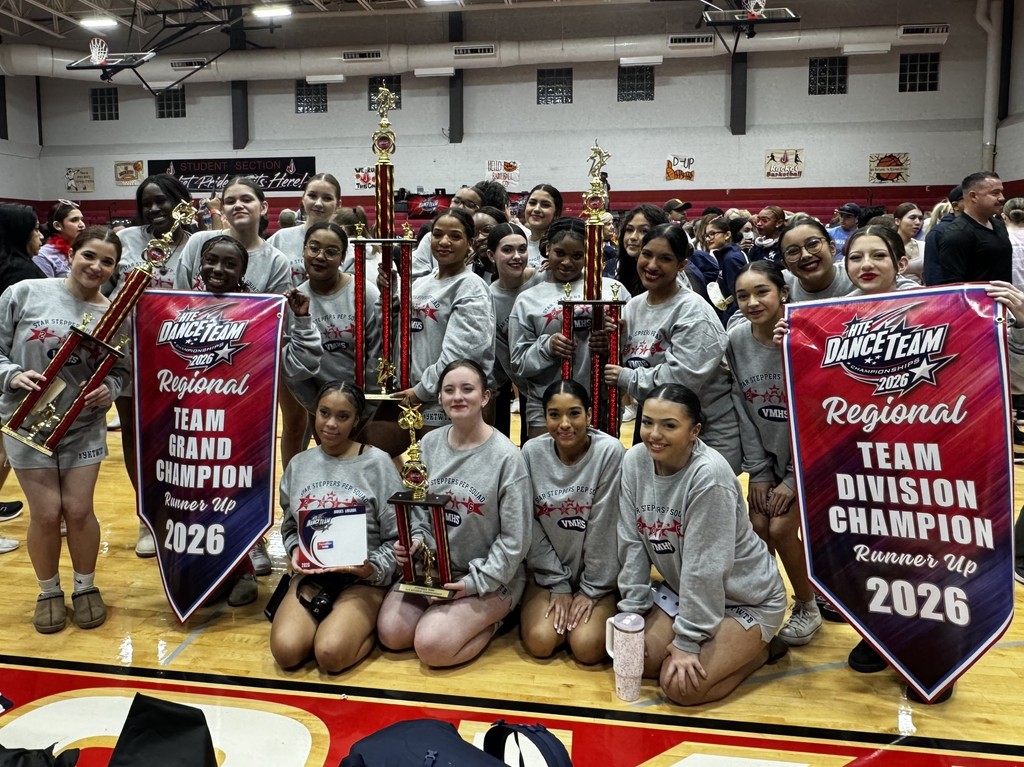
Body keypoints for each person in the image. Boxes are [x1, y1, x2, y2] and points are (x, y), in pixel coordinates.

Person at [616, 383, 787, 705]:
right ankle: (728, 646)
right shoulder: (635, 461)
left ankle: (761, 650)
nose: (654, 434)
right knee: (641, 659)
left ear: (694, 430)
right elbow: (631, 542)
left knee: (681, 687)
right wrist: (633, 610)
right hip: (688, 592)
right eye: (648, 422)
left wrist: (688, 642)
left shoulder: (710, 477)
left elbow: (704, 568)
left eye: (669, 425)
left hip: (746, 601)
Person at [0, 226, 130, 633]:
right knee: (45, 513)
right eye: (89, 255)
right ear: (71, 253)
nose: (96, 266)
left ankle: (86, 586)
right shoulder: (24, 292)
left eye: (106, 261)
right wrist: (10, 374)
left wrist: (109, 389)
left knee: (77, 509)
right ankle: (48, 591)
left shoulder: (113, 314)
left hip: (81, 426)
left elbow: (122, 371)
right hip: (26, 423)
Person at [188, 233, 321, 606]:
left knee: (237, 495)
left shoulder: (259, 311)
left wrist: (303, 320)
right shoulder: (180, 307)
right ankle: (204, 570)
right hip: (193, 424)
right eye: (212, 260)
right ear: (200, 262)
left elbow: (302, 364)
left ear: (244, 271)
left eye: (230, 264)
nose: (218, 269)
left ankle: (242, 567)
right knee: (195, 497)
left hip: (243, 423)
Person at [376, 359, 532, 668]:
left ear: (485, 397)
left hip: (487, 577)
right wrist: (415, 543)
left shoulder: (507, 458)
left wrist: (474, 584)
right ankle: (450, 617)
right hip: (435, 572)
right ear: (440, 398)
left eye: (467, 389)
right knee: (392, 634)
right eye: (449, 390)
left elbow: (516, 541)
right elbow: (419, 511)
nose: (457, 397)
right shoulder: (429, 444)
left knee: (432, 646)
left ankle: (499, 618)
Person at [270, 382, 402, 673]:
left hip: (362, 580)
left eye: (342, 416)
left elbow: (398, 537)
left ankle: (370, 629)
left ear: (356, 420)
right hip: (314, 574)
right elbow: (290, 526)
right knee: (286, 652)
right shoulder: (299, 465)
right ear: (314, 414)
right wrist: (295, 551)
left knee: (330, 654)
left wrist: (372, 569)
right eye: (324, 413)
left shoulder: (378, 464)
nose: (330, 424)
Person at [728, 262, 821, 646]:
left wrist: (791, 479)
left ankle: (808, 605)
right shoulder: (736, 340)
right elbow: (743, 409)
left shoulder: (807, 336)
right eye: (743, 295)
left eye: (761, 291)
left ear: (783, 292)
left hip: (808, 458)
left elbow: (819, 417)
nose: (752, 302)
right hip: (767, 459)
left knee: (782, 528)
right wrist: (760, 473)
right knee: (759, 527)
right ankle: (765, 602)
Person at [602, 224, 740, 471]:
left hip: (707, 435)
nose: (652, 265)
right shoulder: (632, 307)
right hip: (663, 434)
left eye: (665, 258)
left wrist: (625, 377)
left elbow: (680, 383)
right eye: (647, 254)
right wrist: (612, 342)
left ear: (681, 265)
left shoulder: (692, 311)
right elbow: (636, 359)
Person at [108, 174, 194, 557]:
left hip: (178, 356)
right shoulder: (126, 240)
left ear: (181, 202)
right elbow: (103, 288)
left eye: (164, 200)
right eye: (148, 203)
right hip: (127, 352)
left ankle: (178, 511)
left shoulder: (196, 243)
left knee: (176, 438)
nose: (156, 208)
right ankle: (147, 518)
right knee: (133, 435)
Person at [520, 380, 623, 664]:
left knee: (587, 648)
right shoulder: (530, 453)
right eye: (554, 415)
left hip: (598, 578)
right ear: (544, 417)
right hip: (549, 573)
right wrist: (559, 584)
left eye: (574, 413)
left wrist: (590, 589)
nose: (564, 424)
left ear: (589, 415)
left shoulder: (609, 452)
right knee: (541, 641)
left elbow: (605, 527)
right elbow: (529, 524)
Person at [508, 216, 630, 439]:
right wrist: (547, 346)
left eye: (577, 256)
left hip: (600, 402)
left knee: (602, 471)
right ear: (547, 249)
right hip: (546, 404)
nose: (567, 262)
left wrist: (612, 345)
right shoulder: (528, 299)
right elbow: (518, 363)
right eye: (560, 253)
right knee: (546, 469)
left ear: (589, 253)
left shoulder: (613, 291)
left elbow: (633, 349)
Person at [390, 209, 495, 429]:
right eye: (437, 235)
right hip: (412, 396)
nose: (444, 241)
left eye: (455, 236)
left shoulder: (470, 286)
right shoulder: (421, 283)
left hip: (445, 401)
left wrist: (422, 391)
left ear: (470, 243)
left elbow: (462, 354)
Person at [267, 174, 343, 469]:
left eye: (327, 197)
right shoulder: (281, 239)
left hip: (333, 343)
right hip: (289, 342)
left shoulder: (342, 240)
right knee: (295, 422)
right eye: (313, 195)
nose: (318, 203)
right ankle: (292, 492)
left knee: (328, 423)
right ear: (302, 198)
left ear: (338, 203)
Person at [0, 203, 45, 546]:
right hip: (11, 374)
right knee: (3, 452)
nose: (40, 236)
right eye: (34, 229)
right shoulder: (20, 275)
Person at [175, 176, 291, 295]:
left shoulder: (276, 262)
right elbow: (177, 298)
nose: (238, 205)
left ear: (263, 207)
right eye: (230, 202)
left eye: (246, 200)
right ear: (223, 210)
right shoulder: (198, 242)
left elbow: (276, 311)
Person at [486, 223, 545, 441]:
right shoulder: (488, 298)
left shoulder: (544, 278)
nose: (517, 256)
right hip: (531, 394)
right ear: (491, 255)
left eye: (522, 249)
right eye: (508, 250)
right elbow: (505, 359)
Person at [932, 171, 1011, 285]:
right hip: (976, 301)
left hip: (1003, 300)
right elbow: (953, 285)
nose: (1002, 198)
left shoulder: (998, 225)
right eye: (995, 193)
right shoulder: (957, 234)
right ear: (973, 196)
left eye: (1001, 192)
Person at [779, 216, 854, 302]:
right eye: (793, 251)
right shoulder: (778, 285)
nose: (805, 255)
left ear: (832, 248)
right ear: (785, 264)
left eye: (813, 244)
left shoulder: (855, 276)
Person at [701, 216, 748, 325]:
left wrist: (727, 320)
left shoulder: (731, 259)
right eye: (706, 235)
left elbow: (739, 294)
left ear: (727, 235)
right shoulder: (726, 255)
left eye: (712, 234)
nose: (708, 239)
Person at [844, 225, 916, 294]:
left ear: (901, 264)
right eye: (856, 257)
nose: (866, 265)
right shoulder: (841, 305)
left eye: (879, 255)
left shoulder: (923, 302)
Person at [923, 186, 963, 285]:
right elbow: (934, 274)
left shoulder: (995, 227)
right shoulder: (939, 232)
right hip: (954, 294)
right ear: (956, 205)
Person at [34, 201, 85, 277]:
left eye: (82, 219)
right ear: (57, 225)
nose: (82, 225)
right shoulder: (44, 255)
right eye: (74, 220)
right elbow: (45, 287)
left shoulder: (84, 248)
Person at [523, 184, 563, 267]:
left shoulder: (561, 246)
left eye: (545, 205)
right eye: (532, 203)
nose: (537, 209)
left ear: (556, 212)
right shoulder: (518, 244)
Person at [893, 202, 925, 283]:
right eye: (912, 217)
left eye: (920, 219)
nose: (918, 222)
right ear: (897, 221)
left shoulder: (923, 246)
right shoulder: (885, 246)